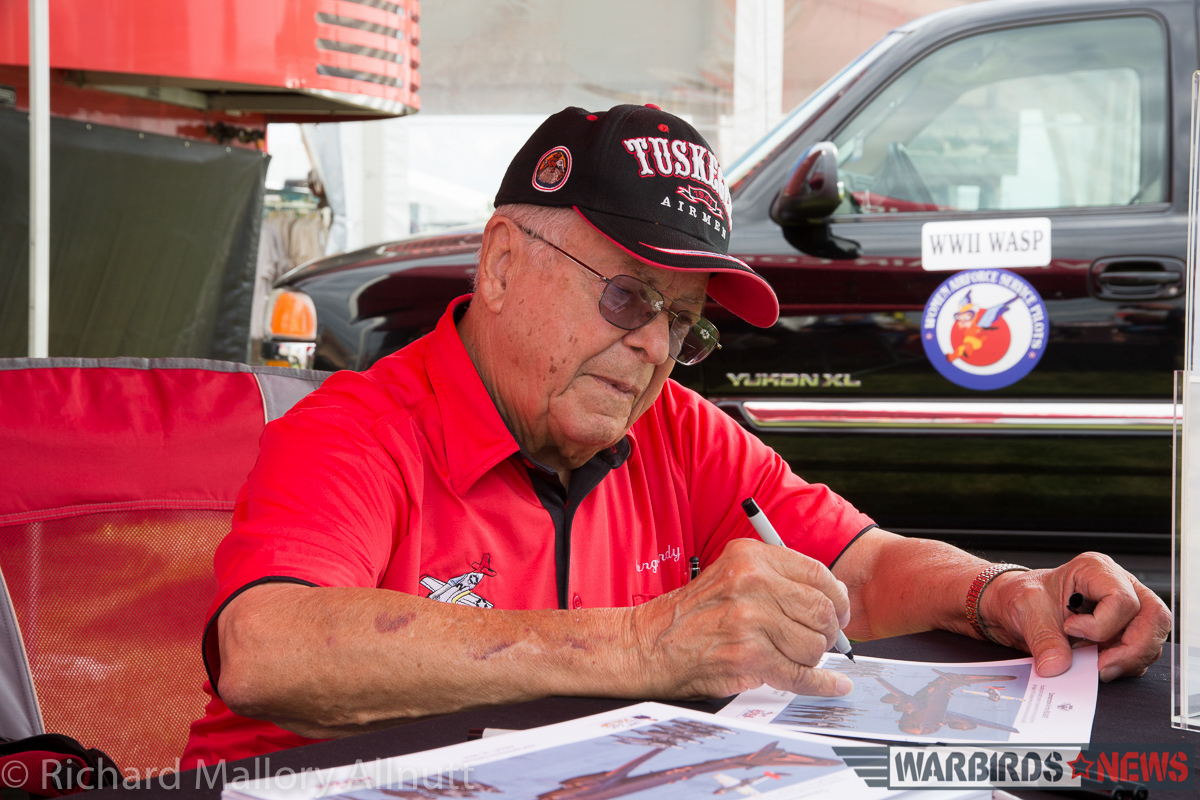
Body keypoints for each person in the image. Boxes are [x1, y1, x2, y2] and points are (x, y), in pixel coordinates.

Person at [182, 105, 1171, 767]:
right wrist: (647, 640)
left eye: (682, 319)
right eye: (627, 294)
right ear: (497, 265)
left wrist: (1004, 593)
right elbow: (266, 648)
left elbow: (854, 569)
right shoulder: (356, 431)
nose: (653, 345)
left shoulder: (676, 428)